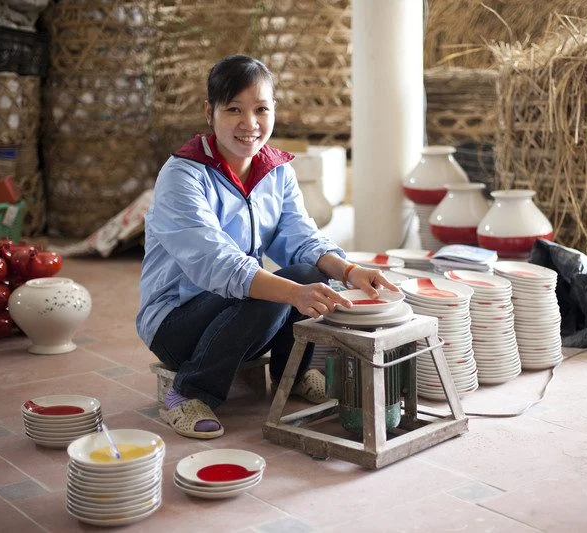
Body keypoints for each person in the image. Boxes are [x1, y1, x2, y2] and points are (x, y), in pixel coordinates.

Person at [136, 55, 397, 440]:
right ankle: (187, 391)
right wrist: (292, 292)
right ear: (209, 112)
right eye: (234, 110)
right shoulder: (182, 175)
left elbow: (300, 238)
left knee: (309, 271)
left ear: (274, 109)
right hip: (176, 324)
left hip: (238, 316)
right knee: (278, 291)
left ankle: (290, 376)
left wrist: (349, 271)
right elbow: (217, 263)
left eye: (261, 108)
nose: (250, 124)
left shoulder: (276, 171)